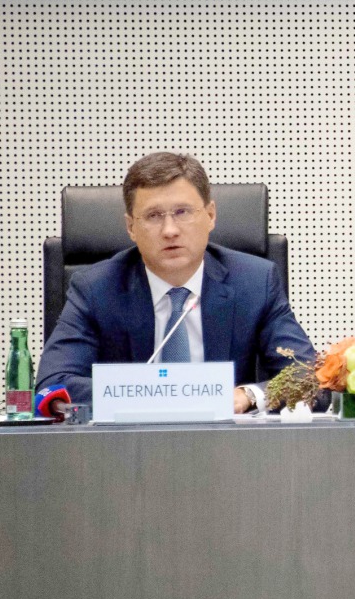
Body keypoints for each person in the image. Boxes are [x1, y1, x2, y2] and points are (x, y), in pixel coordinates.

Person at [37, 152, 315, 412]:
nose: (170, 230)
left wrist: (248, 396)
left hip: (228, 449)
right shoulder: (96, 288)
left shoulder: (254, 282)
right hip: (126, 450)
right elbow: (53, 385)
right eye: (153, 216)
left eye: (183, 212)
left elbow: (308, 375)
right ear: (131, 227)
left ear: (210, 215)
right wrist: (160, 394)